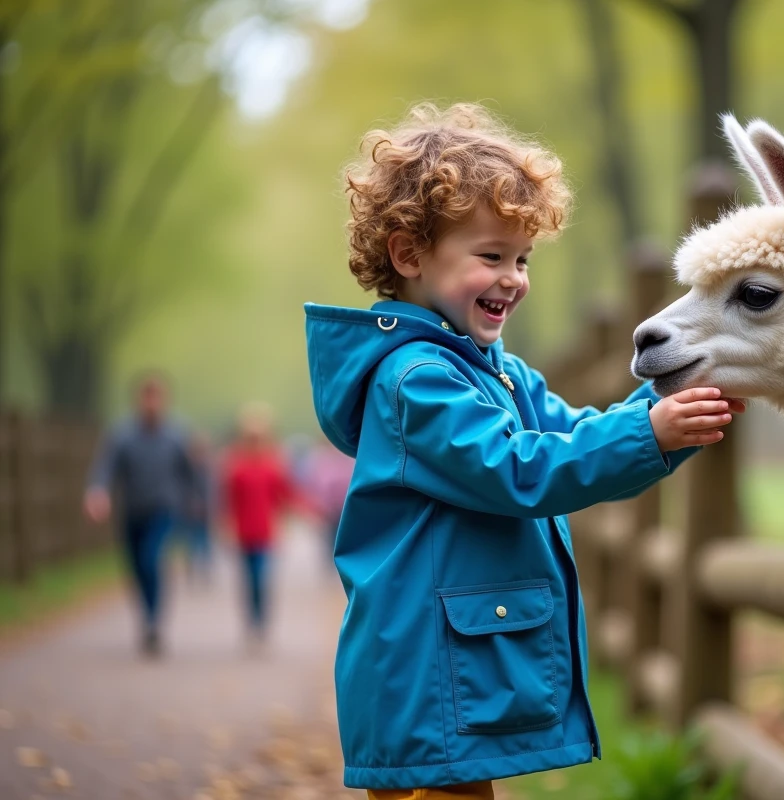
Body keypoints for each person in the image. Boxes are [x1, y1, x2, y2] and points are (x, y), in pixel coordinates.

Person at [303, 102, 744, 799]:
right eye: (491, 256)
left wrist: (662, 409)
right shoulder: (418, 381)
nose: (513, 278)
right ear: (410, 255)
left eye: (522, 258)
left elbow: (568, 435)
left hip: (448, 673)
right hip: (426, 678)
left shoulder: (493, 369)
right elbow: (518, 468)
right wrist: (649, 434)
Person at [85, 372, 195, 657]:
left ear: (164, 400)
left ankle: (153, 622)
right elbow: (105, 467)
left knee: (151, 559)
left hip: (164, 509)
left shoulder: (176, 434)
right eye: (146, 397)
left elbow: (190, 472)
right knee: (136, 568)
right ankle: (148, 617)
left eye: (156, 397)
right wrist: (98, 491)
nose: (151, 403)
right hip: (132, 511)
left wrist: (195, 499)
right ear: (138, 400)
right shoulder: (122, 434)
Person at [220, 402, 294, 648]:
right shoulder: (235, 466)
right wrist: (226, 526)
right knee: (247, 579)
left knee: (260, 578)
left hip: (264, 532)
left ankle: (261, 622)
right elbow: (228, 500)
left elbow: (283, 495)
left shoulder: (273, 465)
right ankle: (251, 621)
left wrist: (287, 520)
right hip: (243, 532)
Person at [181, 431, 215, 585]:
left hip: (206, 511)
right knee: (194, 541)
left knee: (204, 541)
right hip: (192, 511)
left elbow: (212, 489)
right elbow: (185, 488)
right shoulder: (189, 466)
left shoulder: (209, 466)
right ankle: (195, 569)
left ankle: (204, 570)